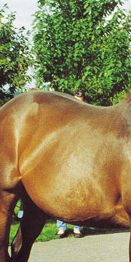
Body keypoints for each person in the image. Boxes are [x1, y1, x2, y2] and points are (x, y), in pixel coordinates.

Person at [57, 90, 85, 238]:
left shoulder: (87, 118)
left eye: (80, 101)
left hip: (80, 159)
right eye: (75, 101)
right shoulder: (65, 117)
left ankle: (77, 227)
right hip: (65, 159)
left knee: (78, 194)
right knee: (61, 192)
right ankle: (61, 226)